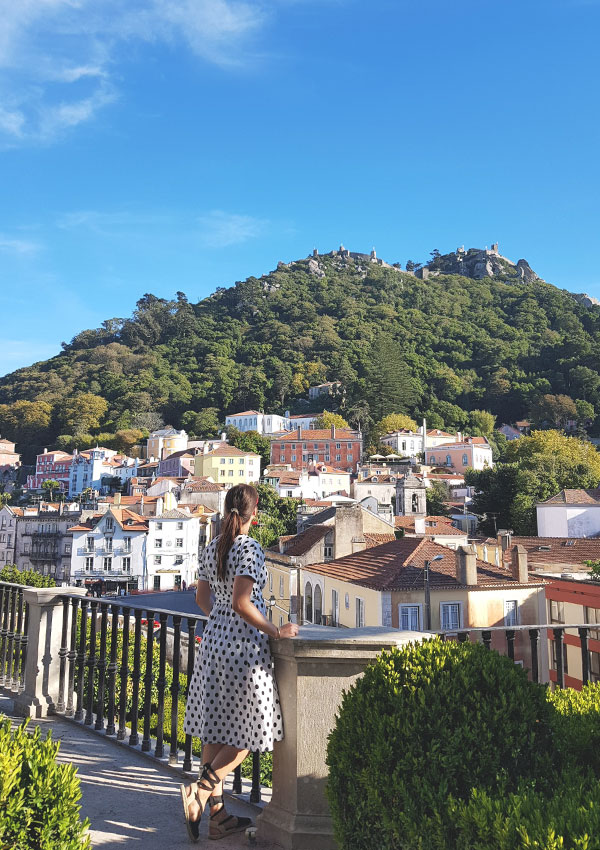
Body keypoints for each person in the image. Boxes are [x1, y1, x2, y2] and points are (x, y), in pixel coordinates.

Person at [180, 483, 299, 842]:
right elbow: (242, 603)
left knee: (216, 731)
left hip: (213, 645)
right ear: (254, 514)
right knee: (254, 731)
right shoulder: (249, 548)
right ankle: (199, 792)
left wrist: (220, 623)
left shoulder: (213, 546)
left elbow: (203, 598)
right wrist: (276, 631)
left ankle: (217, 819)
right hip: (243, 650)